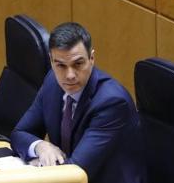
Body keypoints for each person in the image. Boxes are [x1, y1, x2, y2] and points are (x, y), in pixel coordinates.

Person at [10, 22, 146, 183]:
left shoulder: (112, 102)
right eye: (60, 65)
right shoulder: (52, 82)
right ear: (51, 61)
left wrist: (38, 166)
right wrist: (41, 146)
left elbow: (76, 171)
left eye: (78, 64)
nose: (70, 75)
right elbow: (19, 133)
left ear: (92, 58)